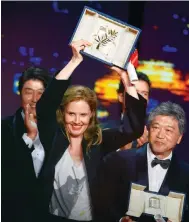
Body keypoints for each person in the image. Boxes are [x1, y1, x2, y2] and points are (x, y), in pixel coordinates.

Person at [36, 39, 147, 222]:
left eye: (83, 115)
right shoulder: (53, 136)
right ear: (63, 114)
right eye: (72, 114)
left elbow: (133, 130)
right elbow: (45, 107)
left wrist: (126, 80)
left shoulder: (99, 140)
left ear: (91, 116)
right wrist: (74, 61)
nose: (77, 121)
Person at [94, 101, 189, 222]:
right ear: (148, 130)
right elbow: (101, 205)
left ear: (179, 137)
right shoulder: (118, 161)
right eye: (156, 127)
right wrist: (120, 220)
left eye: (168, 130)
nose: (160, 135)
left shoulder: (186, 174)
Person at [1, 67, 51, 222]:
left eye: (40, 93)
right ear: (20, 93)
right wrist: (29, 137)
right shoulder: (4, 129)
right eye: (29, 92)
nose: (34, 99)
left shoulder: (60, 131)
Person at [117, 71, 151, 149]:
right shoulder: (102, 129)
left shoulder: (154, 131)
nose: (139, 98)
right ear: (121, 97)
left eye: (144, 94)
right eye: (134, 92)